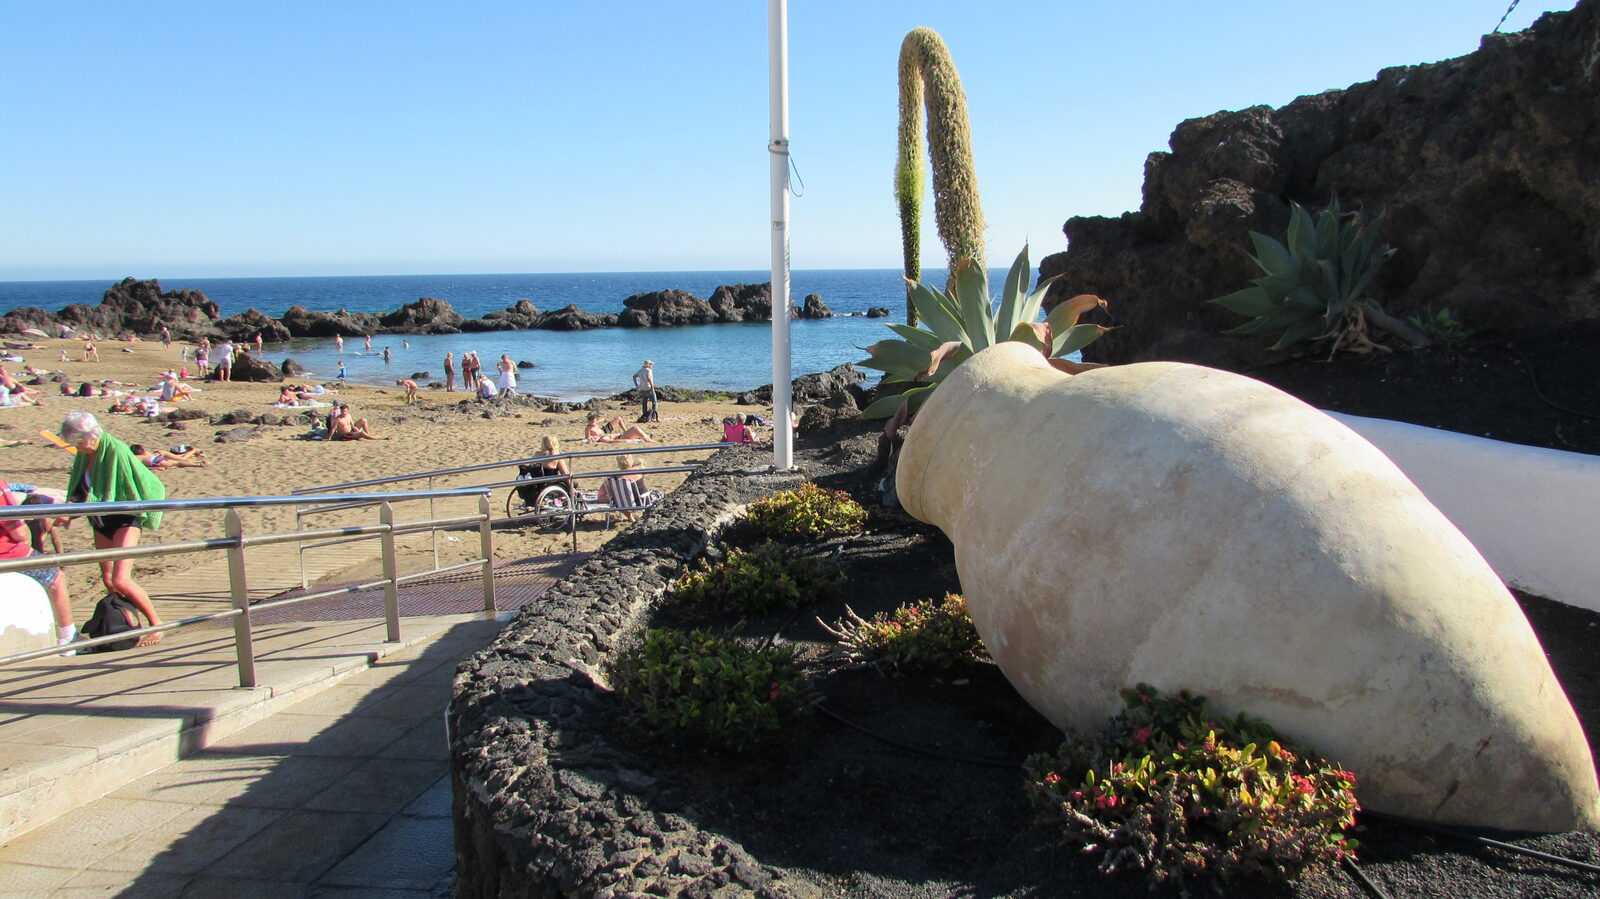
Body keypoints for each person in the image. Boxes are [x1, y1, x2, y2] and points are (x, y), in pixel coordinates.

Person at [60, 411, 166, 646]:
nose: (76, 445)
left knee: (121, 579)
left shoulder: (115, 449)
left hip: (125, 518)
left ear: (91, 434)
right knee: (108, 579)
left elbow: (130, 485)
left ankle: (156, 624)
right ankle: (127, 624)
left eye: (78, 440)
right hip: (100, 520)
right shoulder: (84, 453)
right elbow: (82, 487)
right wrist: (68, 512)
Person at [20, 489, 78, 653]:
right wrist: (59, 559)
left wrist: (59, 558)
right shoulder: (45, 521)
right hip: (32, 551)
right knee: (53, 580)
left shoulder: (37, 521)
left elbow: (55, 540)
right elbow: (52, 540)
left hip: (32, 549)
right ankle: (67, 637)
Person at [585, 411, 652, 443]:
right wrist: (595, 438)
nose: (594, 421)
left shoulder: (595, 422)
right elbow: (587, 438)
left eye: (595, 419)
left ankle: (626, 431)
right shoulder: (588, 428)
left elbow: (603, 419)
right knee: (635, 429)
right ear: (589, 421)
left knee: (619, 418)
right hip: (605, 435)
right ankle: (648, 440)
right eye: (592, 421)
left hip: (605, 431)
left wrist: (596, 421)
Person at [128, 444, 208, 469]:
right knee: (180, 459)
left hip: (153, 462)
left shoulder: (134, 457)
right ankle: (196, 458)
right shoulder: (146, 453)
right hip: (156, 456)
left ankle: (197, 464)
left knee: (177, 463)